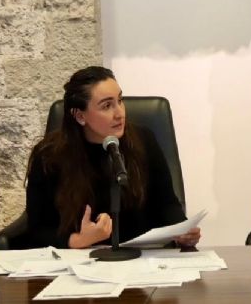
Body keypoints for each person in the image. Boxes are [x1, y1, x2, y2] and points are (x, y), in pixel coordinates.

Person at [24, 66, 200, 249]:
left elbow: (167, 205)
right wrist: (78, 240)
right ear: (80, 116)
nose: (119, 113)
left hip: (141, 257)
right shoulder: (48, 156)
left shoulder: (143, 141)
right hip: (78, 259)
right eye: (107, 106)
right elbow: (37, 230)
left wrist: (183, 231)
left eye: (120, 101)